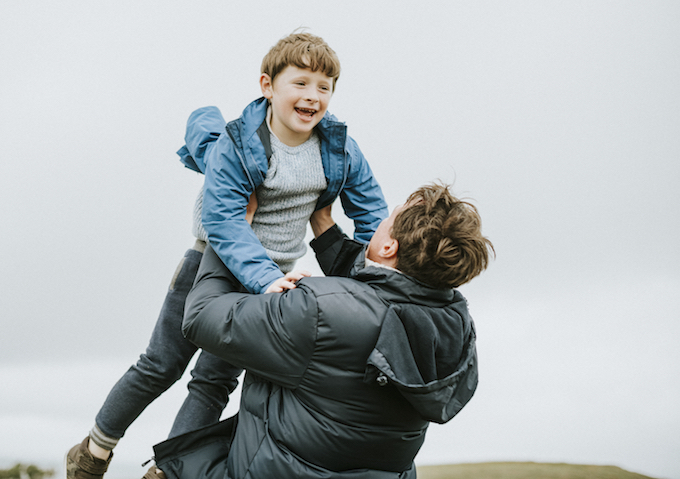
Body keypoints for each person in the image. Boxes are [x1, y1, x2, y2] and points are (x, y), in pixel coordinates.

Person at [66, 32, 388, 479]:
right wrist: (262, 278)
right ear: (267, 85)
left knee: (215, 381)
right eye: (300, 83)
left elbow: (371, 210)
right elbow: (224, 220)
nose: (313, 97)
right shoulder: (239, 145)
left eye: (324, 87)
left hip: (272, 278)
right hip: (209, 265)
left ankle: (167, 472)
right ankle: (93, 452)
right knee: (161, 364)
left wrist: (372, 273)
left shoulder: (338, 148)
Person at [144, 182, 494, 479]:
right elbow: (377, 296)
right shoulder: (454, 326)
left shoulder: (316, 309)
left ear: (389, 247)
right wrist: (323, 222)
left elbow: (202, 316)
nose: (381, 221)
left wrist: (233, 232)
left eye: (389, 218)